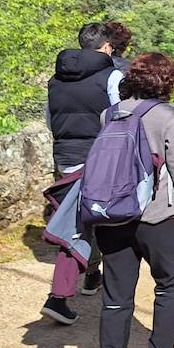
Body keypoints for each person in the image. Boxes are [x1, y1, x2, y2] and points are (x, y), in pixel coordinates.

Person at [93, 52, 174, 348]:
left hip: (112, 217)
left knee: (116, 297)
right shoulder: (168, 117)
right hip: (157, 218)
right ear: (167, 81)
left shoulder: (109, 114)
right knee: (170, 285)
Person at [40, 21, 123, 325]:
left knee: (81, 221)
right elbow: (119, 119)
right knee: (88, 225)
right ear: (105, 47)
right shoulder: (111, 75)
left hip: (65, 156)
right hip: (98, 157)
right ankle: (60, 296)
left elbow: (50, 120)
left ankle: (91, 276)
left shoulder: (55, 79)